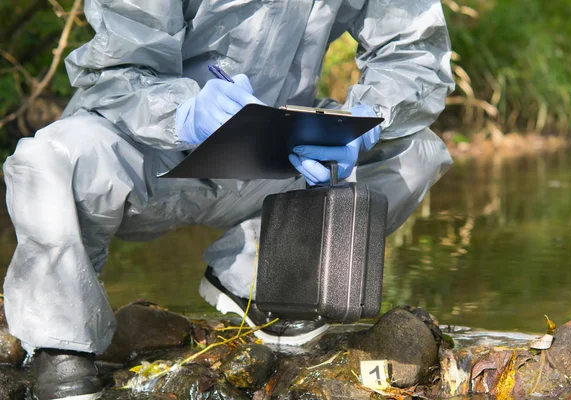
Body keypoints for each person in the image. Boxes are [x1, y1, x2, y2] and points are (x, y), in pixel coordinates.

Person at [2, 0, 454, 398]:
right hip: (145, 155)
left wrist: (364, 120)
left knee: (417, 152)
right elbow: (114, 71)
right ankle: (64, 344)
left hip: (280, 161)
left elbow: (414, 53)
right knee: (47, 161)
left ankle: (257, 285)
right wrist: (183, 112)